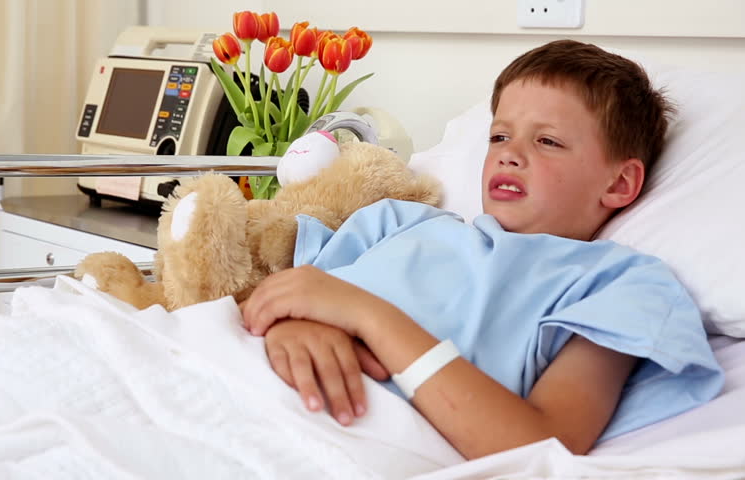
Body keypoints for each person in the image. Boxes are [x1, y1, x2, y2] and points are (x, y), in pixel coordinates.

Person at [239, 40, 723, 460]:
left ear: (619, 182)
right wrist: (291, 323)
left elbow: (545, 444)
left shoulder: (621, 284)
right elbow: (284, 295)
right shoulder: (397, 220)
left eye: (548, 140)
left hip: (309, 438)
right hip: (227, 370)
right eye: (499, 135)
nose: (510, 152)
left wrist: (367, 316)